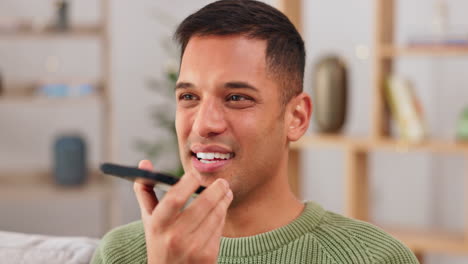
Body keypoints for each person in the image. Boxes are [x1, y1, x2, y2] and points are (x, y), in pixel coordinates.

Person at [91, 0, 419, 263]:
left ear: (297, 117)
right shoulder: (120, 253)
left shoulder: (375, 258)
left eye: (236, 98)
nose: (204, 124)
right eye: (189, 97)